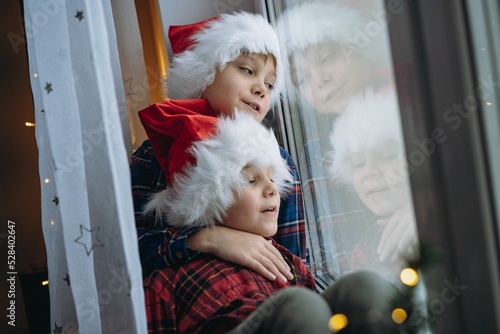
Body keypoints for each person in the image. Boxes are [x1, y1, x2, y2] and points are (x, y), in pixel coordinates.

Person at [140, 107, 404, 334]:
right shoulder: (167, 278)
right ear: (206, 200)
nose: (272, 190)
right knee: (300, 306)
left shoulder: (289, 262)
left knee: (363, 287)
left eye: (272, 178)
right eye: (251, 181)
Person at [130, 12, 305, 283]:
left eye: (270, 84)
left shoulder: (279, 162)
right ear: (203, 75)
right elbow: (130, 251)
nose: (261, 88)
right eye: (247, 71)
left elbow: (293, 260)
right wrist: (207, 238)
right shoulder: (152, 155)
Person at [276, 1, 404, 276]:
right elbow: (337, 259)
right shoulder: (319, 150)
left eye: (326, 59)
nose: (320, 80)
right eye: (302, 79)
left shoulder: (411, 105)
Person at [329, 89, 419, 276]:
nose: (370, 171)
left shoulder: (439, 220)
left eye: (387, 156)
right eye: (359, 164)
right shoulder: (363, 250)